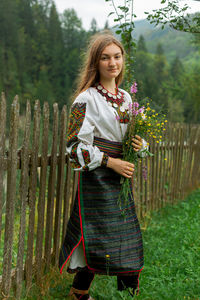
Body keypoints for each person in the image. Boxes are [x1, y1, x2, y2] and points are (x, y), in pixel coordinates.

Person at [59, 32, 147, 300]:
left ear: (123, 60)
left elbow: (129, 139)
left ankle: (98, 294)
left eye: (117, 57)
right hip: (97, 178)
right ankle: (79, 294)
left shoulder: (126, 99)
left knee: (120, 234)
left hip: (120, 179)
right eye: (105, 58)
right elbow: (74, 146)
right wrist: (111, 162)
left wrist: (140, 146)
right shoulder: (85, 99)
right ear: (95, 63)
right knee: (94, 236)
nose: (112, 63)